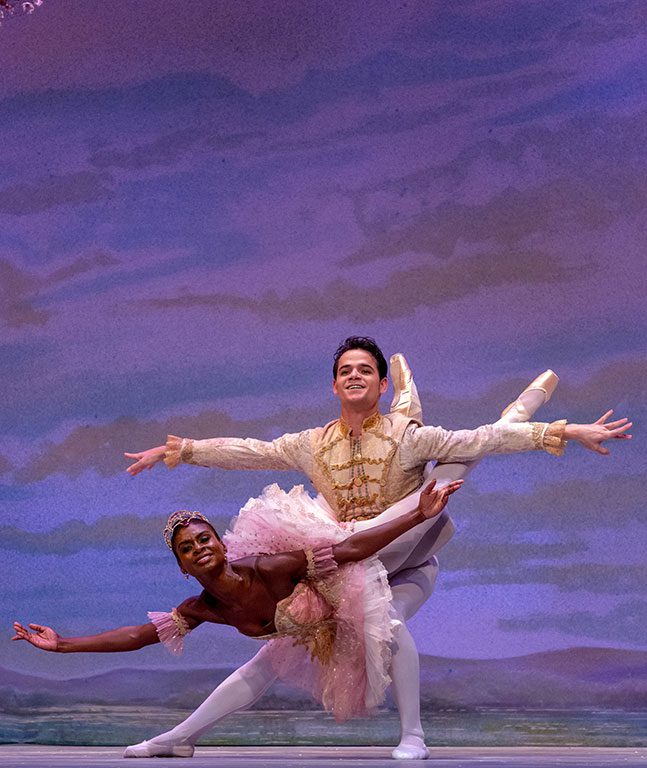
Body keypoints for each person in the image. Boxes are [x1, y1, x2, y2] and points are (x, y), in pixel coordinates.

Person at [123, 337, 631, 759]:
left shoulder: (407, 437)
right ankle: (179, 738)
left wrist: (564, 431)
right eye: (345, 370)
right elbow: (252, 451)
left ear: (380, 384)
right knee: (281, 655)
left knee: (451, 471)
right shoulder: (312, 443)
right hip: (343, 566)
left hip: (409, 559)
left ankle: (413, 735)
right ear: (334, 384)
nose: (354, 376)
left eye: (366, 370)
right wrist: (182, 449)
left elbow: (479, 439)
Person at [13, 479, 462, 756]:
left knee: (390, 624)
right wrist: (63, 644)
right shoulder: (202, 607)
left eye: (205, 539)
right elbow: (138, 635)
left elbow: (350, 550)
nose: (199, 549)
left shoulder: (269, 569)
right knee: (262, 666)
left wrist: (418, 517)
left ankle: (413, 736)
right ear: (182, 568)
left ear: (222, 545)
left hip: (390, 579)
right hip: (315, 630)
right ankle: (178, 739)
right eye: (187, 549)